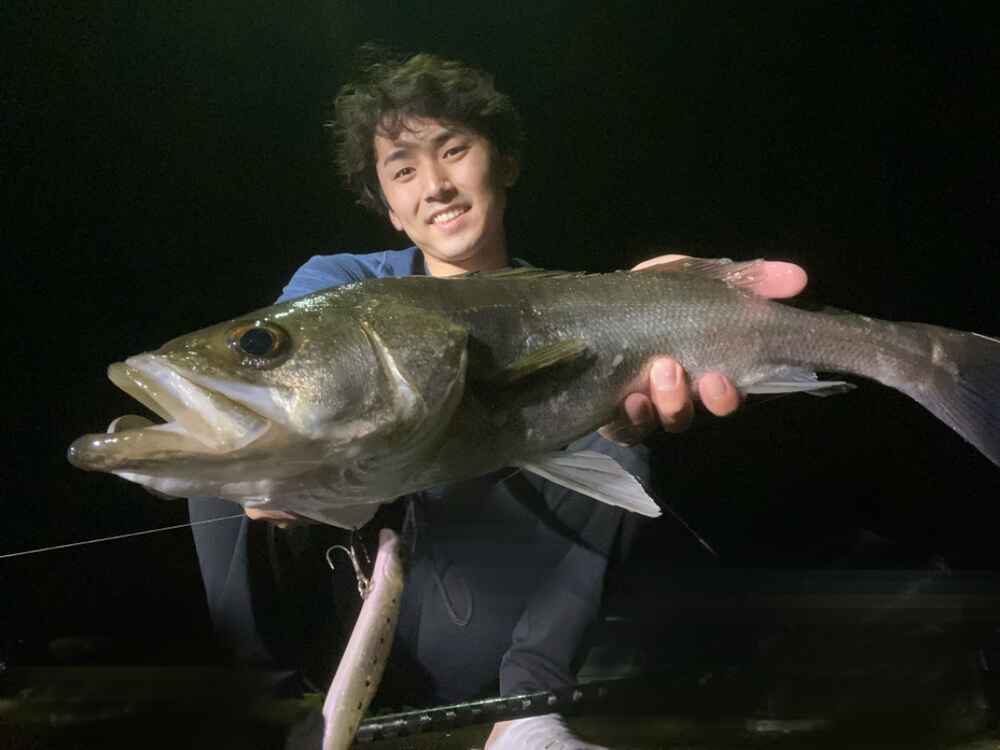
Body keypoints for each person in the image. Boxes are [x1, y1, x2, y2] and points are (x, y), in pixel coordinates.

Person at [189, 51, 807, 749]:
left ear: (505, 163)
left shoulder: (567, 305)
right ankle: (273, 708)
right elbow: (275, 394)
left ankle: (526, 714)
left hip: (480, 621)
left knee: (622, 446)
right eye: (403, 171)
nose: (436, 187)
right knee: (221, 449)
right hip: (352, 610)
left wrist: (662, 309)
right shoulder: (342, 286)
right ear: (389, 210)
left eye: (454, 150)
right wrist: (279, 475)